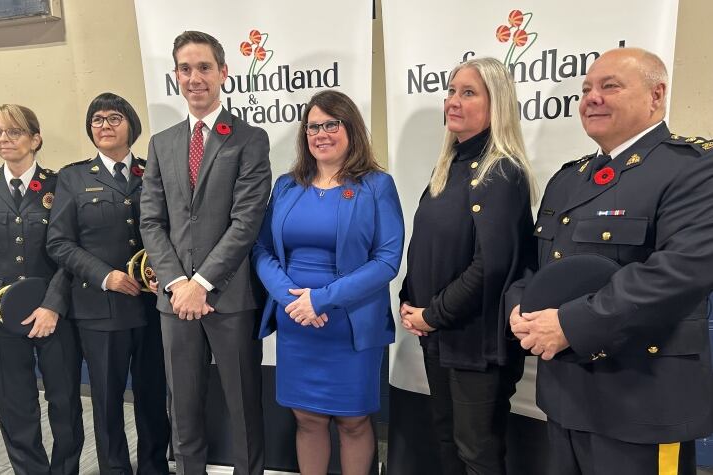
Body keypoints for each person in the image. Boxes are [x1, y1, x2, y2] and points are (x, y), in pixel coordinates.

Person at [509, 47, 713, 475]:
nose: (592, 98)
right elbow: (536, 263)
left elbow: (680, 272)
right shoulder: (569, 178)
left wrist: (569, 324)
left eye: (610, 86)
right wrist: (520, 306)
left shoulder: (694, 169)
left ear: (656, 96)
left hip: (642, 399)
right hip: (566, 394)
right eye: (586, 89)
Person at [252, 89, 404, 475]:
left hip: (348, 322)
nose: (321, 134)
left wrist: (321, 300)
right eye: (312, 127)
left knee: (353, 421)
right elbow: (263, 250)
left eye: (330, 124)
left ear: (350, 127)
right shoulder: (287, 186)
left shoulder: (376, 186)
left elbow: (386, 260)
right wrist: (293, 301)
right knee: (307, 419)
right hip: (296, 321)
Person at [139, 31, 270, 475]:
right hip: (174, 302)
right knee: (185, 407)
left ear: (223, 73)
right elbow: (152, 221)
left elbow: (246, 222)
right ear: (176, 75)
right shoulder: (163, 142)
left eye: (204, 67)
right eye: (185, 69)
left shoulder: (250, 139)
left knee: (243, 406)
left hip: (228, 297)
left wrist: (202, 283)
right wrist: (178, 284)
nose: (195, 78)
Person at [399, 57, 536, 475]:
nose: (453, 101)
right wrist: (410, 301)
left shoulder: (502, 172)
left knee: (476, 450)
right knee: (448, 439)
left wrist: (432, 314)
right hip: (440, 334)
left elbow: (491, 265)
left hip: (475, 340)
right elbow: (426, 246)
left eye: (468, 92)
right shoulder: (450, 167)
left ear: (497, 103)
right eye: (452, 91)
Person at [46, 92, 170, 474]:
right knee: (107, 399)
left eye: (114, 117)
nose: (104, 125)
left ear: (131, 125)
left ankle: (153, 467)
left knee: (153, 396)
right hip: (101, 309)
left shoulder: (153, 171)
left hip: (152, 307)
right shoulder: (73, 177)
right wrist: (106, 276)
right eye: (97, 119)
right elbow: (58, 242)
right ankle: (115, 469)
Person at [0, 104, 84, 475]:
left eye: (13, 132)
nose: (4, 139)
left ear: (35, 138)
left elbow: (69, 253)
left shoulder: (59, 185)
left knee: (64, 402)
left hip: (52, 313)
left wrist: (53, 306)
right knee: (15, 405)